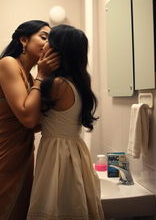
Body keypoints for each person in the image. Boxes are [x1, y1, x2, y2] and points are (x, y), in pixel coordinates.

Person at [0, 20, 59, 220]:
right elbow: (28, 119)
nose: (48, 44)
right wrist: (42, 74)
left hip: (17, 159)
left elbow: (37, 122)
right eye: (43, 37)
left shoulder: (31, 79)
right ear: (23, 40)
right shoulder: (8, 64)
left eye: (51, 40)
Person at [27, 24, 105, 220]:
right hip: (74, 150)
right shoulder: (79, 81)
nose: (44, 46)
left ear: (59, 51)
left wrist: (40, 75)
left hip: (57, 153)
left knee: (54, 205)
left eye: (49, 42)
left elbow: (30, 118)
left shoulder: (57, 85)